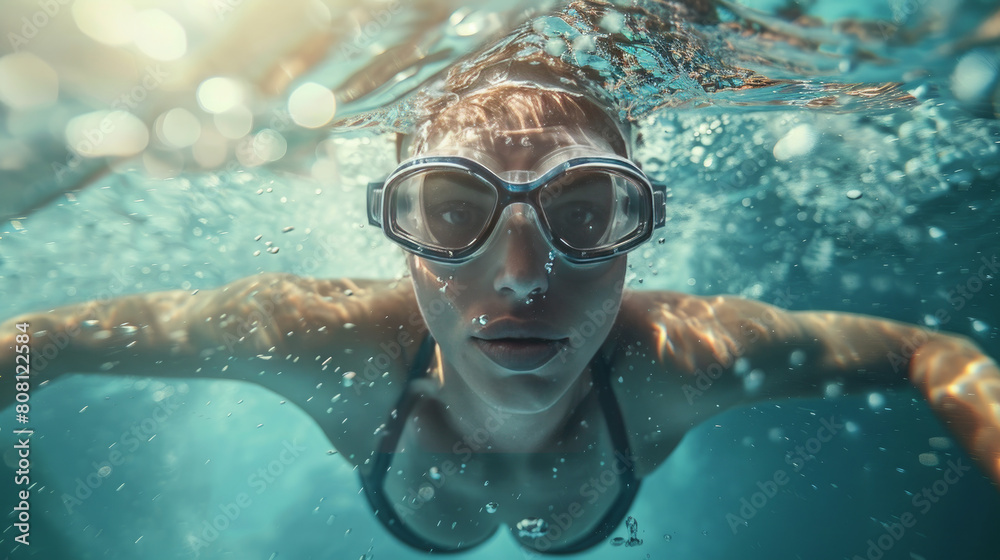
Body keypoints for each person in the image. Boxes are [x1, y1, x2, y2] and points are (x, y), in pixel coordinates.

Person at [2, 55, 999, 555]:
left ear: (637, 224)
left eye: (583, 210)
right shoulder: (314, 335)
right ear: (393, 228)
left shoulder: (678, 352)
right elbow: (39, 339)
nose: (521, 277)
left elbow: (929, 352)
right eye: (449, 210)